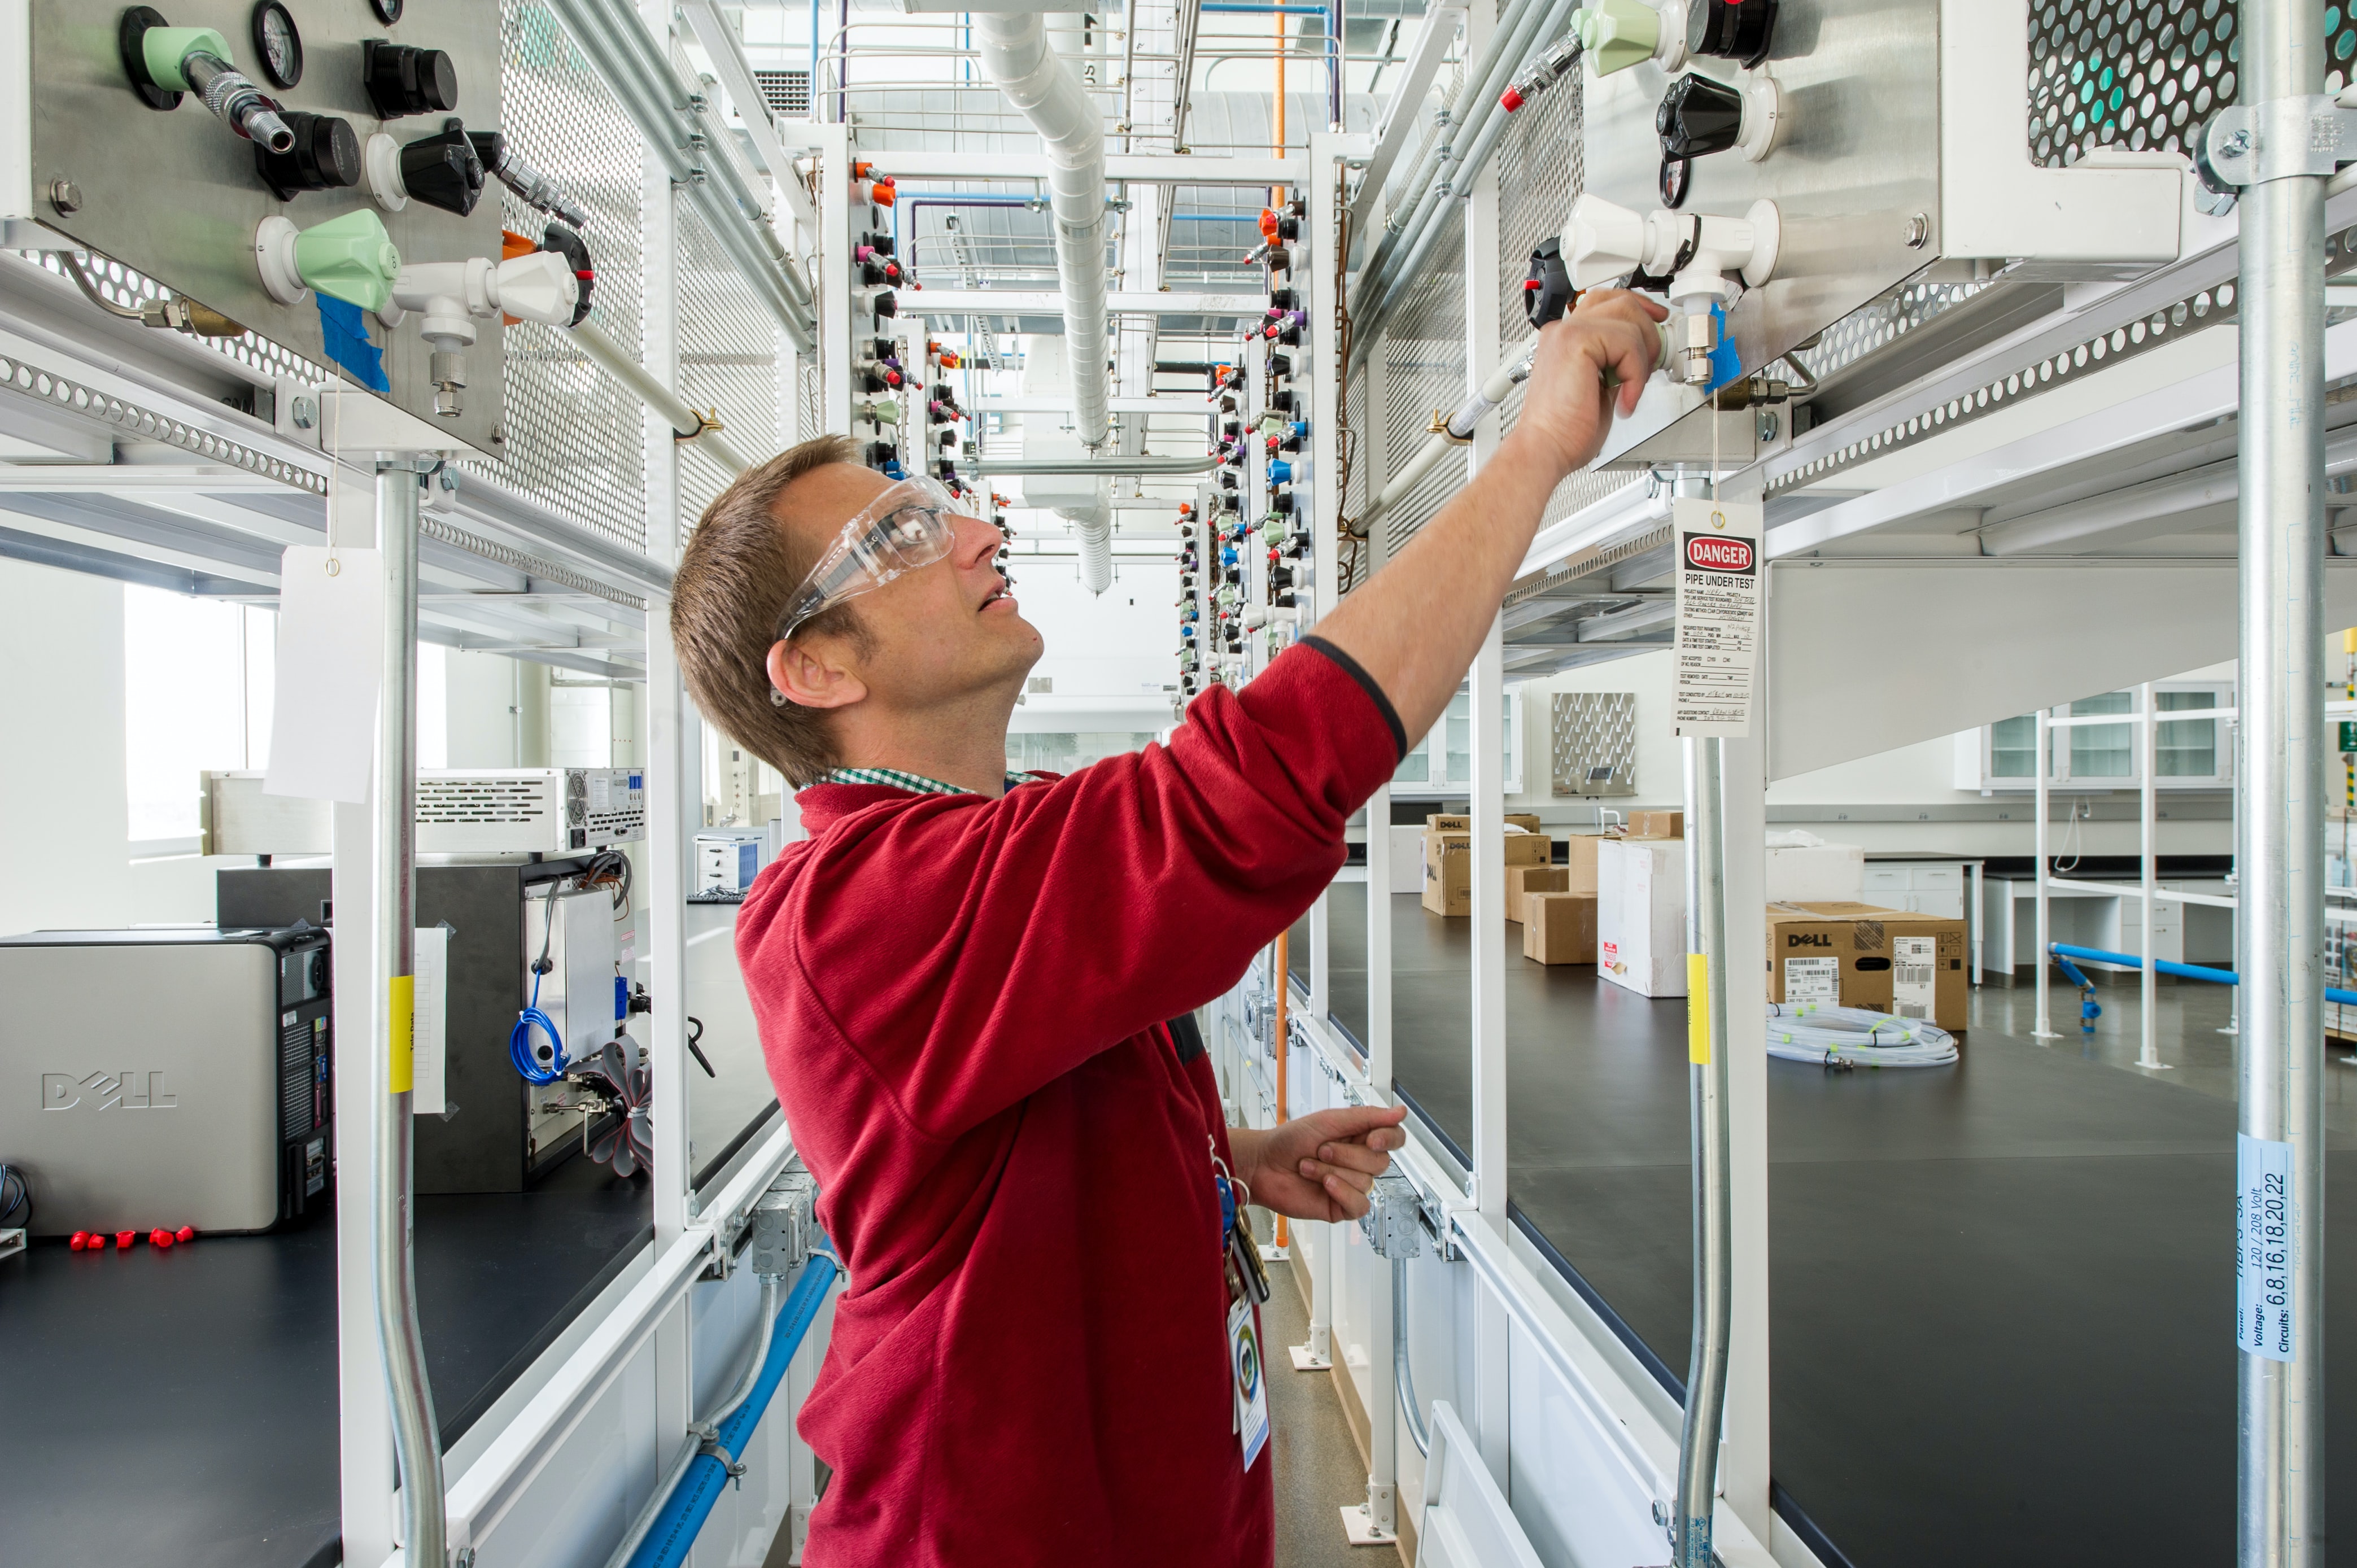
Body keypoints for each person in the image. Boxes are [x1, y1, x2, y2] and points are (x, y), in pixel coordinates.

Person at [667, 289, 1666, 1566]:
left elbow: (1018, 1124)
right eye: (902, 535)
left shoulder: (982, 842)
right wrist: (1529, 453)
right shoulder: (855, 908)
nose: (975, 532)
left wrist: (1219, 1155)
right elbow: (1246, 791)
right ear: (814, 669)